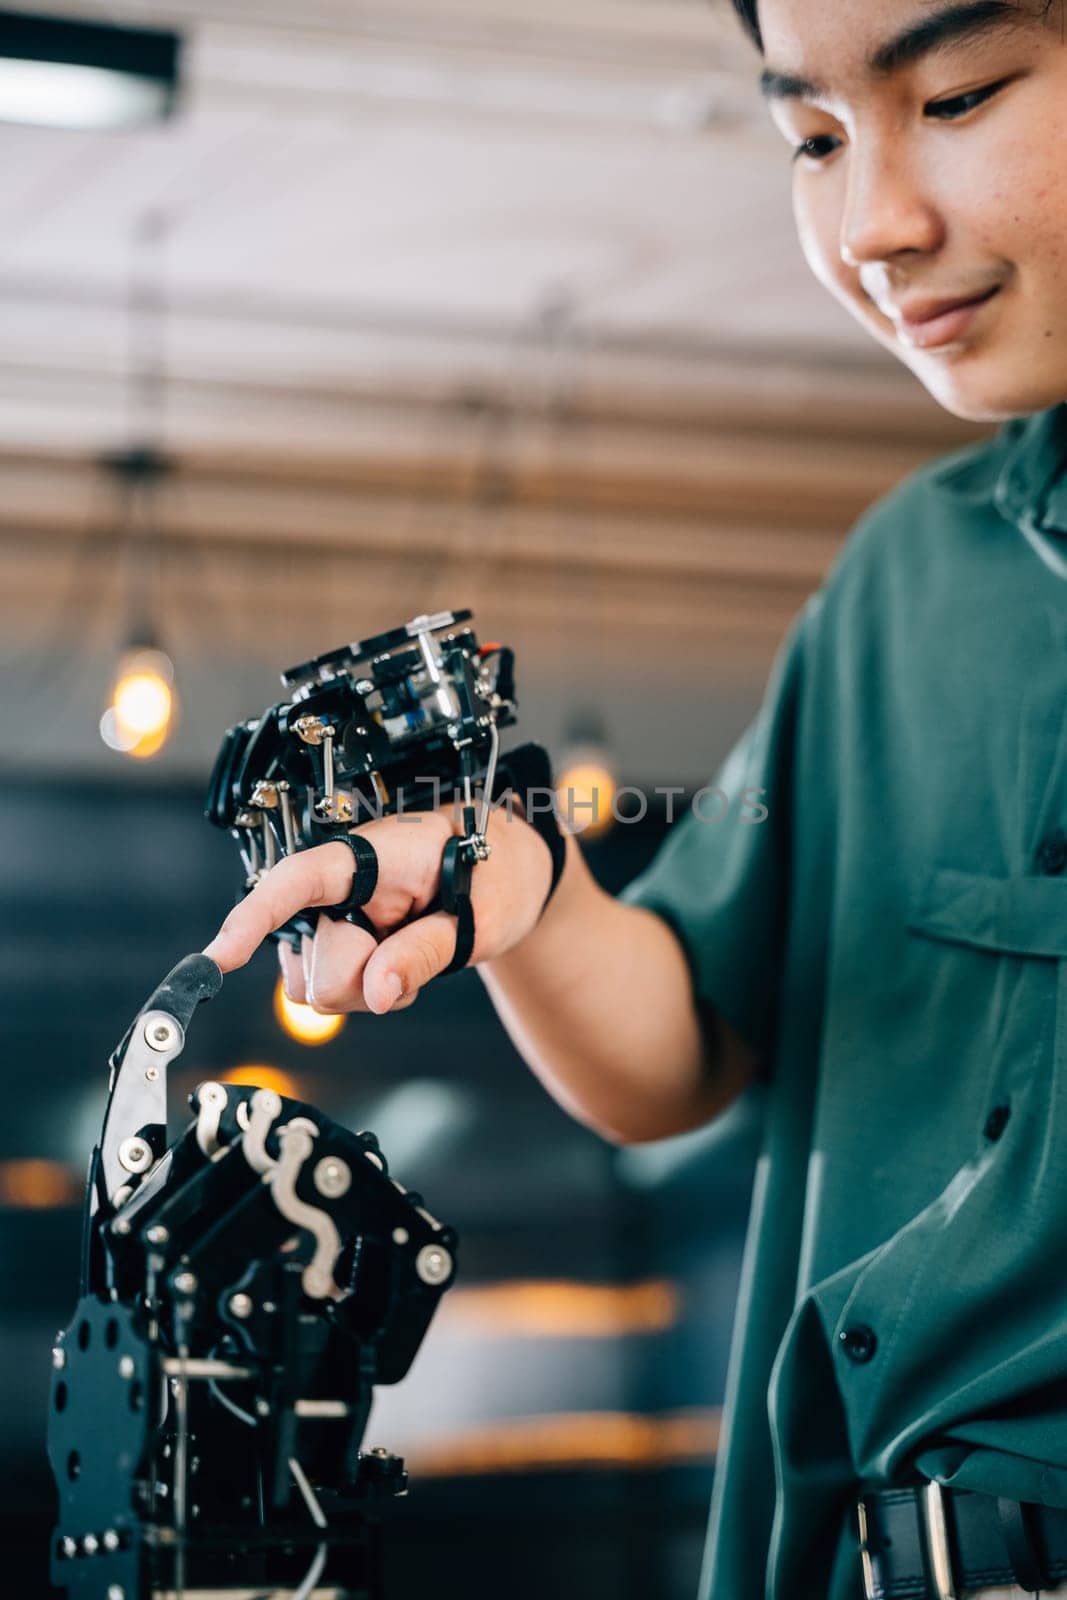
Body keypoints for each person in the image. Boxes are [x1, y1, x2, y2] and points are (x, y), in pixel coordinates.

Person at [203, 1, 1067, 1594]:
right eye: (811, 138)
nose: (872, 222)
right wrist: (523, 891)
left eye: (957, 96)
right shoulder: (905, 583)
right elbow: (683, 1048)